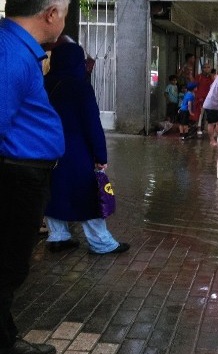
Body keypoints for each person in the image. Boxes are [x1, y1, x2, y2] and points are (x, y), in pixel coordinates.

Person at [0, 0, 69, 353]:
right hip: (16, 179)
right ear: (51, 14)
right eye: (66, 11)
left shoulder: (19, 49)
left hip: (24, 176)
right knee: (7, 267)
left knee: (10, 266)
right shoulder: (9, 52)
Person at [43, 41, 130, 256]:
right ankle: (102, 243)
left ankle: (58, 237)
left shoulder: (43, 83)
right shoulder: (80, 86)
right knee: (89, 194)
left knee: (54, 191)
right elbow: (92, 123)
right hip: (76, 151)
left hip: (47, 148)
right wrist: (100, 154)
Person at [194, 62, 214, 136]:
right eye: (205, 67)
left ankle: (208, 129)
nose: (206, 69)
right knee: (200, 114)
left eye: (208, 67)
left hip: (209, 99)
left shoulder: (211, 77)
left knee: (210, 114)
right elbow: (195, 88)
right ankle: (198, 128)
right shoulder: (198, 77)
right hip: (201, 99)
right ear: (202, 69)